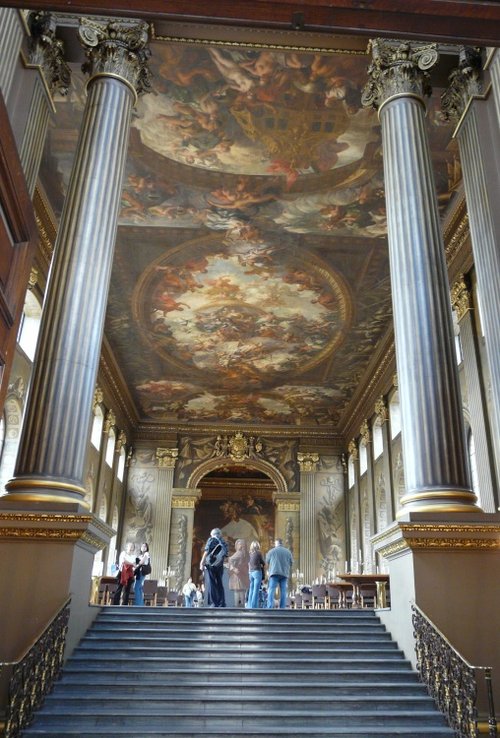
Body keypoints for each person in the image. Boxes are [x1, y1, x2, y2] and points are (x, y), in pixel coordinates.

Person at [200, 528, 228, 608]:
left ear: (212, 534)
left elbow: (206, 551)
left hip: (211, 565)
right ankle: (222, 602)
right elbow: (226, 555)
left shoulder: (211, 540)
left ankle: (214, 602)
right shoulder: (223, 542)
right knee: (219, 583)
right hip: (220, 565)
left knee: (212, 583)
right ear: (220, 534)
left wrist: (201, 562)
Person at [266, 538, 293, 609]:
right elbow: (291, 563)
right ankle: (282, 607)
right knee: (283, 591)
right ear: (282, 543)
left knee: (271, 590)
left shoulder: (271, 551)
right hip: (284, 574)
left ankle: (270, 607)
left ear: (276, 543)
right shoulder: (288, 552)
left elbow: (267, 561)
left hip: (274, 573)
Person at [228, 538, 249, 607]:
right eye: (238, 544)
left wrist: (233, 568)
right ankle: (242, 606)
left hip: (238, 574)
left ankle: (237, 606)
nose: (239, 546)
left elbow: (230, 559)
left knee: (237, 591)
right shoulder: (246, 553)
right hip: (243, 573)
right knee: (241, 591)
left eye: (240, 544)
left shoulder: (239, 553)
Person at [247, 540, 265, 609]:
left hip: (250, 573)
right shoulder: (258, 553)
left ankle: (249, 606)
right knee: (256, 590)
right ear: (258, 546)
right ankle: (253, 607)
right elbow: (263, 563)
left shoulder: (249, 554)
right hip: (257, 572)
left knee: (251, 589)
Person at [133, 542, 150, 606]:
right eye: (142, 546)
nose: (143, 547)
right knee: (139, 587)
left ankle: (138, 603)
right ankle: (140, 603)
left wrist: (137, 563)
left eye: (145, 546)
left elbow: (141, 562)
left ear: (147, 548)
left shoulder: (146, 553)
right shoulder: (141, 555)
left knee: (136, 587)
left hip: (142, 571)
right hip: (139, 572)